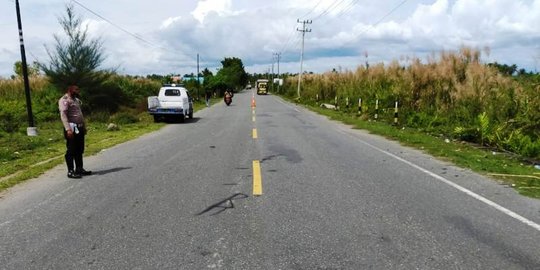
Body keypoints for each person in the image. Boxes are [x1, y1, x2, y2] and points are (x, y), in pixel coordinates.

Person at [59, 85, 92, 179]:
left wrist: (84, 127)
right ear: (70, 90)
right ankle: (70, 171)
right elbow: (63, 115)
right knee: (71, 150)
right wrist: (68, 129)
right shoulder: (64, 100)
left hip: (79, 127)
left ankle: (79, 168)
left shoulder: (76, 100)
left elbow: (80, 114)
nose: (78, 91)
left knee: (79, 149)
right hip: (71, 128)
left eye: (78, 90)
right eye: (76, 90)